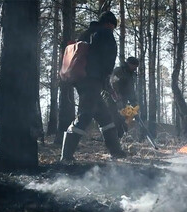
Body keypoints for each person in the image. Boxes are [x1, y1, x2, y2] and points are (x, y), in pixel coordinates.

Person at [60, 11, 126, 162]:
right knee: (85, 115)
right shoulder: (105, 33)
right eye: (113, 26)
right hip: (92, 81)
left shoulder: (89, 33)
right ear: (110, 23)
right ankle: (66, 157)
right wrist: (107, 80)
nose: (113, 28)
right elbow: (107, 59)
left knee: (104, 116)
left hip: (83, 80)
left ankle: (116, 151)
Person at [106, 57, 140, 138]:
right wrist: (117, 96)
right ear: (129, 64)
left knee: (124, 119)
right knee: (115, 119)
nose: (135, 68)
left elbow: (130, 89)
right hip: (112, 98)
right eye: (134, 66)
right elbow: (112, 83)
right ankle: (114, 138)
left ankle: (122, 137)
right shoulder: (119, 71)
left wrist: (134, 101)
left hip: (123, 99)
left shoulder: (130, 74)